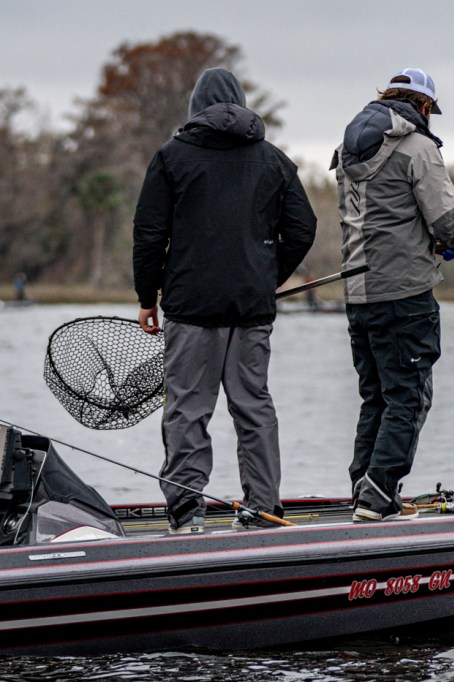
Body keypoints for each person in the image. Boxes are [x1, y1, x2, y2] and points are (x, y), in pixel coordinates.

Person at [133, 68, 317, 534]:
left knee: (188, 408)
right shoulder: (274, 160)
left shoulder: (171, 156)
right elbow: (303, 228)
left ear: (196, 107)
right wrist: (266, 278)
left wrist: (146, 297)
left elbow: (149, 234)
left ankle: (187, 512)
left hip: (190, 307)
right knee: (253, 407)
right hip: (251, 308)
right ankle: (265, 508)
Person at [330, 67, 454, 522]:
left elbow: (383, 220)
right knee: (408, 397)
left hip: (359, 294)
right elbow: (448, 223)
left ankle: (364, 490)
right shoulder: (418, 147)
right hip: (405, 295)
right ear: (423, 106)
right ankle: (379, 497)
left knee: (376, 398)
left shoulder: (346, 149)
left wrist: (430, 244)